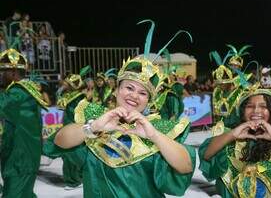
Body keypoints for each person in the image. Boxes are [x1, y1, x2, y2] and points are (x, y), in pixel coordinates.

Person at [43, 20, 196, 197]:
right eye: (129, 88)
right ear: (116, 90)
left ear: (149, 101)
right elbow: (59, 140)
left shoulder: (157, 128)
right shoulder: (98, 117)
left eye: (142, 93)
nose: (134, 96)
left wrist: (153, 135)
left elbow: (185, 166)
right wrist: (93, 127)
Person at [0, 49, 48, 197]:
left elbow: (3, 105)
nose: (0, 74)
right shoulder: (22, 91)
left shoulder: (19, 93)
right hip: (18, 157)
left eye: (3, 70)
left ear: (13, 72)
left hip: (20, 160)